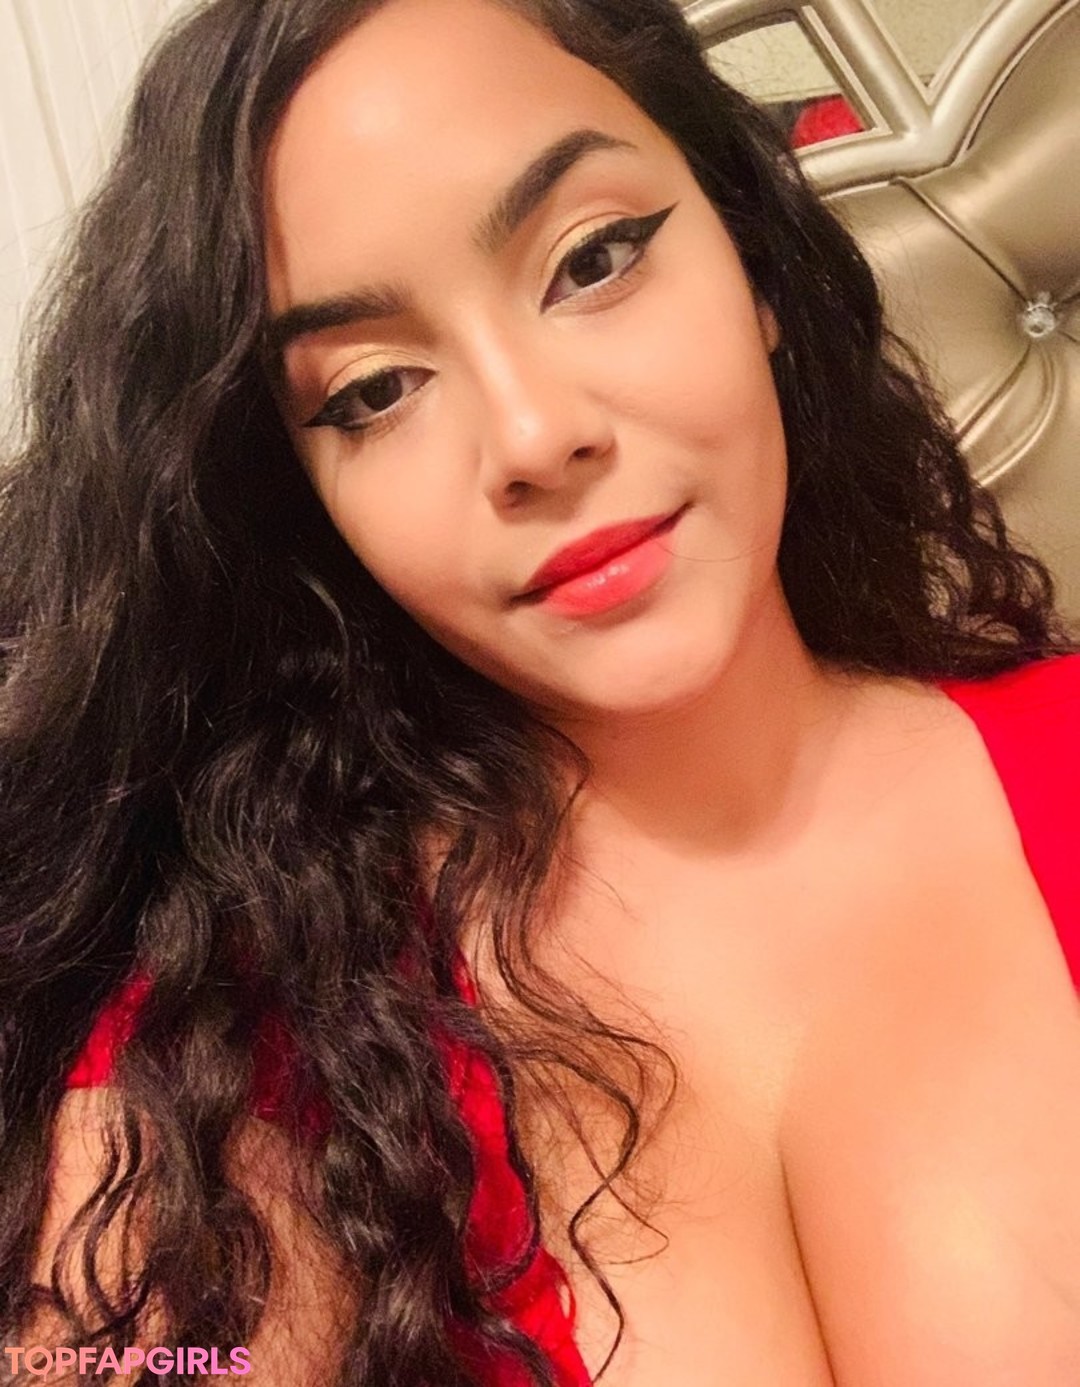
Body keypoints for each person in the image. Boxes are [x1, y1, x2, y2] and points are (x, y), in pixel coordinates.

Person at [2, 0, 1079, 1382]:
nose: (532, 433)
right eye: (373, 392)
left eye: (594, 259)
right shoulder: (236, 1047)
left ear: (750, 257)